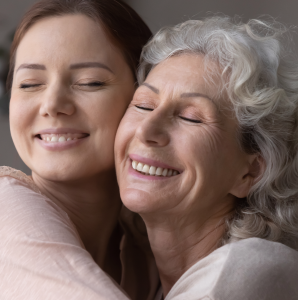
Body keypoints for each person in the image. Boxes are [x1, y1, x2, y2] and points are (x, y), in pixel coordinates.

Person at [115, 16, 298, 299]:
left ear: (249, 173)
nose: (147, 130)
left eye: (191, 118)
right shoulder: (146, 281)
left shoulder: (249, 271)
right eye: (143, 105)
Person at [0, 0, 159, 299]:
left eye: (90, 82)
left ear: (143, 99)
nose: (52, 105)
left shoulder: (146, 249)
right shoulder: (3, 210)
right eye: (30, 84)